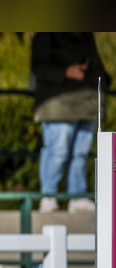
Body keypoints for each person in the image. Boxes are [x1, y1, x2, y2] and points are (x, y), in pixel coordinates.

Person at [30, 33, 111, 213]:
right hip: (58, 104)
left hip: (88, 102)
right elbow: (38, 66)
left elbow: (95, 62)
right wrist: (66, 71)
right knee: (57, 152)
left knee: (80, 154)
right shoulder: (46, 33)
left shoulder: (86, 33)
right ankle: (48, 197)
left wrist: (103, 80)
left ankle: (78, 196)